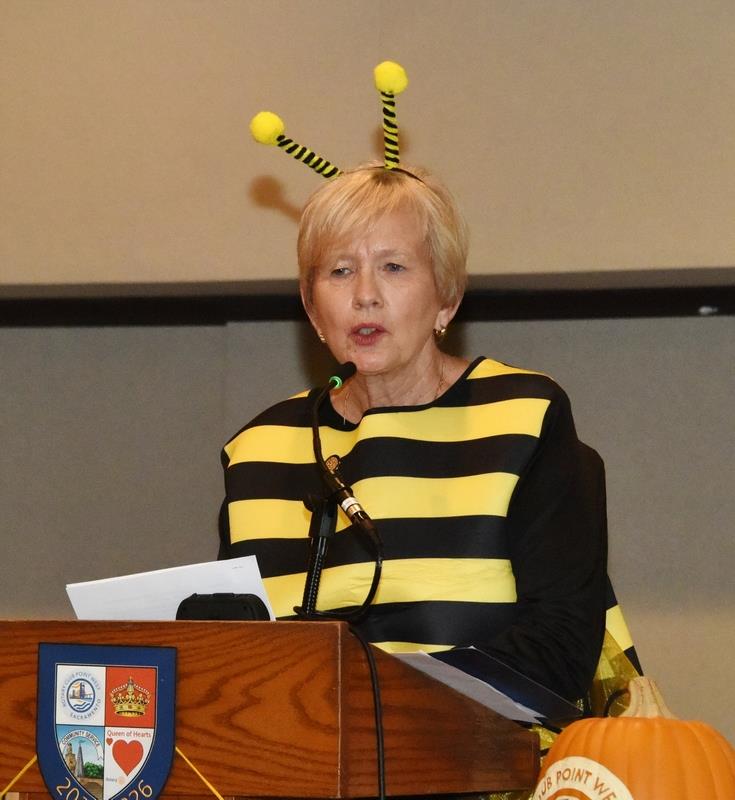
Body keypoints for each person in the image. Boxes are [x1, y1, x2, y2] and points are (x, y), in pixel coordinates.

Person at [219, 162, 607, 704]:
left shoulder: (523, 416)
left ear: (446, 298)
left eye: (394, 267)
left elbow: (560, 650)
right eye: (340, 271)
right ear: (311, 308)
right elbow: (229, 658)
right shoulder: (257, 450)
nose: (365, 295)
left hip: (488, 749)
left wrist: (372, 701)